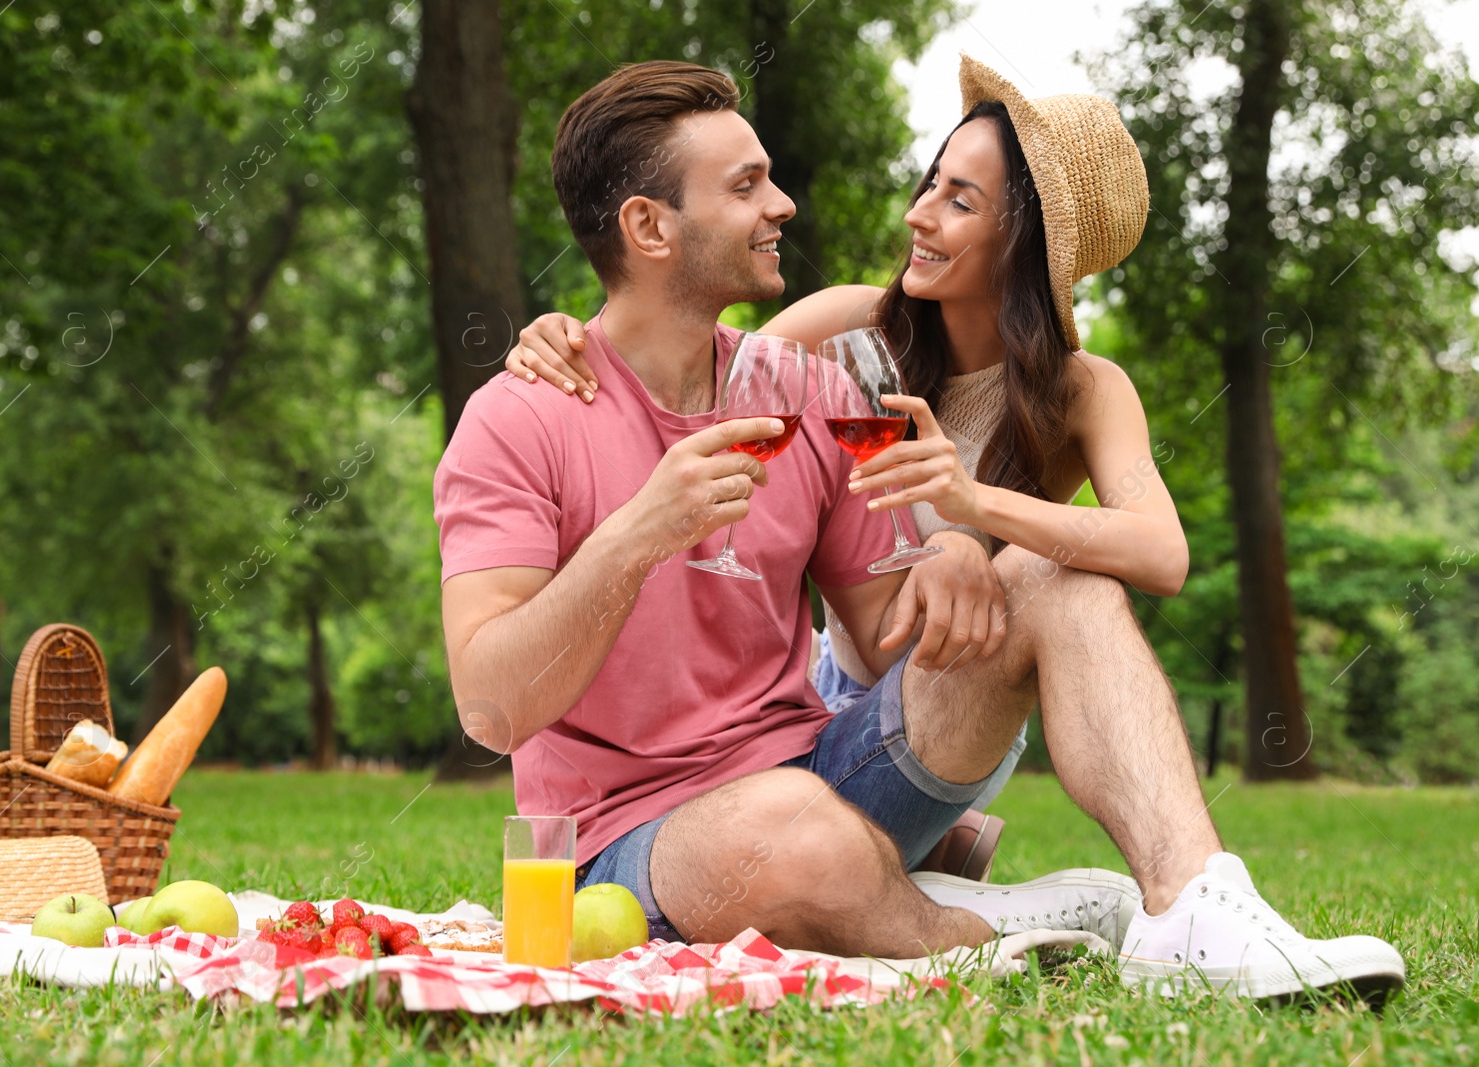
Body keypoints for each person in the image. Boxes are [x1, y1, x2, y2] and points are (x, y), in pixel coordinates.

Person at [441, 57, 1404, 998]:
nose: (783, 206)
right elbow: (490, 710)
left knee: (1043, 573)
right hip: (637, 838)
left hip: (826, 772)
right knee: (783, 830)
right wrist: (637, 533)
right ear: (648, 226)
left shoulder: (808, 389)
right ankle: (995, 928)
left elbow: (886, 627)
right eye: (748, 186)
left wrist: (948, 549)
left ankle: (1193, 904)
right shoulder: (519, 418)